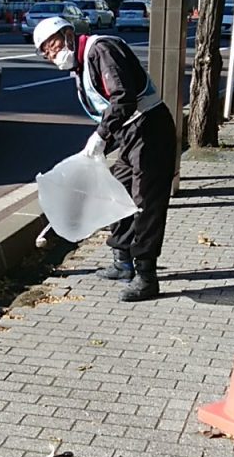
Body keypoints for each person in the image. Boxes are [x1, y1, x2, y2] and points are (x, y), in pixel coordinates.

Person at [33, 16, 176, 303]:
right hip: (130, 133)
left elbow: (123, 98)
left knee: (146, 202)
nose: (52, 55)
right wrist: (102, 141)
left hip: (150, 129)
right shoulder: (82, 64)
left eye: (54, 45)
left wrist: (100, 136)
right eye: (46, 53)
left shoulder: (101, 50)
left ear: (69, 34)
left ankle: (146, 275)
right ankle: (122, 260)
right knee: (117, 193)